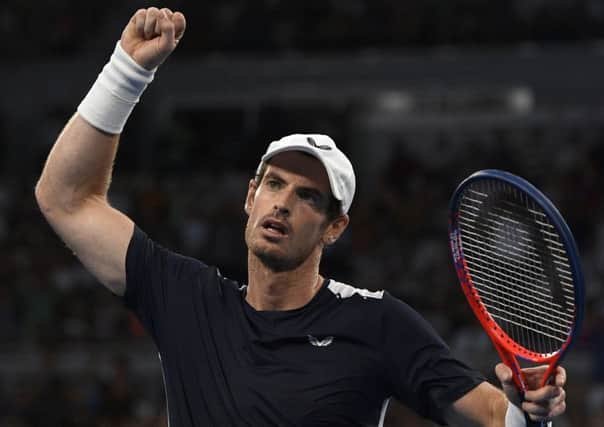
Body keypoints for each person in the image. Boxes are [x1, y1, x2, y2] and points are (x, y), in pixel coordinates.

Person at [35, 7, 567, 427]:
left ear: (335, 228)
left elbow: (494, 416)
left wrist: (530, 403)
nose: (283, 202)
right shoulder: (187, 299)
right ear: (250, 196)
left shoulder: (376, 323)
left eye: (310, 197)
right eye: (273, 184)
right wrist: (126, 72)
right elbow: (66, 198)